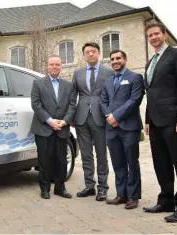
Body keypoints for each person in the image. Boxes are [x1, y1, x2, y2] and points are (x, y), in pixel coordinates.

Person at [142, 21, 177, 223]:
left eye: (156, 34)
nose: (153, 38)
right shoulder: (150, 62)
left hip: (174, 120)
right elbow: (151, 93)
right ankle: (166, 201)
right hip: (155, 122)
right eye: (150, 35)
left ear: (164, 34)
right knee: (161, 163)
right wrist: (147, 120)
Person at [100, 50, 145, 209]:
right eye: (112, 59)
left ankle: (133, 196)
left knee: (132, 162)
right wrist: (109, 117)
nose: (115, 61)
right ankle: (121, 194)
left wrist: (116, 116)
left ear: (125, 59)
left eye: (118, 58)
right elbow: (102, 102)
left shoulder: (135, 78)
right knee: (118, 163)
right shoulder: (107, 81)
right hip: (111, 128)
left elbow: (134, 100)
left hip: (129, 127)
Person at [30, 55, 76, 199]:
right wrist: (50, 121)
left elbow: (72, 106)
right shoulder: (38, 83)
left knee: (61, 160)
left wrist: (64, 121)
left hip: (62, 128)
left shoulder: (68, 85)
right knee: (45, 160)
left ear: (61, 66)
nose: (55, 67)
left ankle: (60, 188)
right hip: (44, 128)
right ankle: (45, 189)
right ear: (47, 66)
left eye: (57, 64)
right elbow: (36, 105)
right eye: (52, 64)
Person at [71, 42, 113, 201]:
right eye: (87, 52)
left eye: (93, 51)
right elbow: (73, 96)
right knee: (86, 154)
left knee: (101, 154)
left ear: (98, 53)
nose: (90, 54)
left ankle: (103, 187)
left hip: (100, 117)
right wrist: (73, 116)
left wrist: (110, 114)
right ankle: (89, 186)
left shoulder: (108, 72)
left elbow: (111, 94)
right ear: (84, 55)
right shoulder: (77, 73)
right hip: (81, 119)